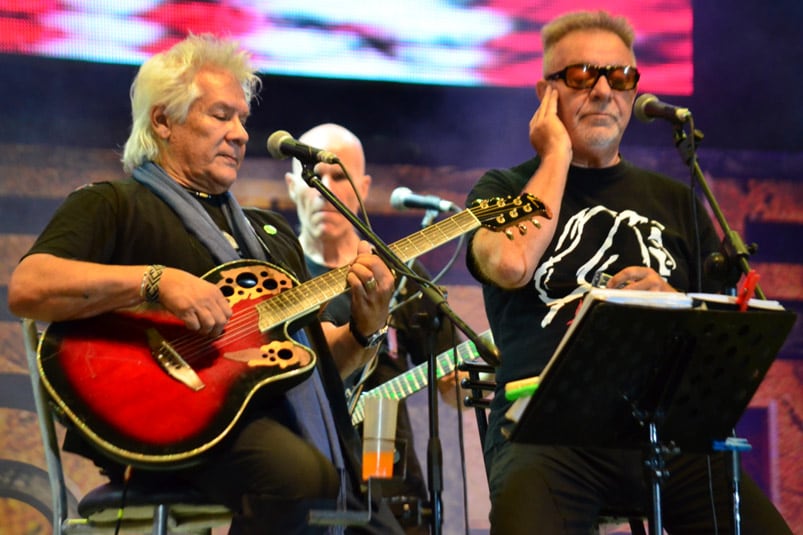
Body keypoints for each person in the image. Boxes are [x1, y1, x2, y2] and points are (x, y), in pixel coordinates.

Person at [8, 34, 404, 535]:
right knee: (301, 478)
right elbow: (29, 285)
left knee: (372, 516)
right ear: (163, 120)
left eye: (242, 118)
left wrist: (366, 331)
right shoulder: (113, 204)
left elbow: (313, 367)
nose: (240, 134)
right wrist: (156, 281)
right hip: (164, 421)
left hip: (269, 424)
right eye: (221, 115)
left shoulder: (271, 235)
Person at [465, 10, 792, 535]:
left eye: (619, 77)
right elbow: (509, 263)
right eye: (579, 75)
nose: (602, 91)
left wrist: (671, 300)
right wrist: (555, 154)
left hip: (664, 432)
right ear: (544, 94)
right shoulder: (502, 188)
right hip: (546, 435)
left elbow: (721, 339)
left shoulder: (674, 198)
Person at [284, 123, 464, 534]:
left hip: (386, 470)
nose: (324, 188)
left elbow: (453, 389)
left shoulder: (398, 274)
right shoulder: (277, 275)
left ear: (362, 187)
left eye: (337, 175)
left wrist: (484, 379)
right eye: (314, 177)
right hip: (296, 466)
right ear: (293, 186)